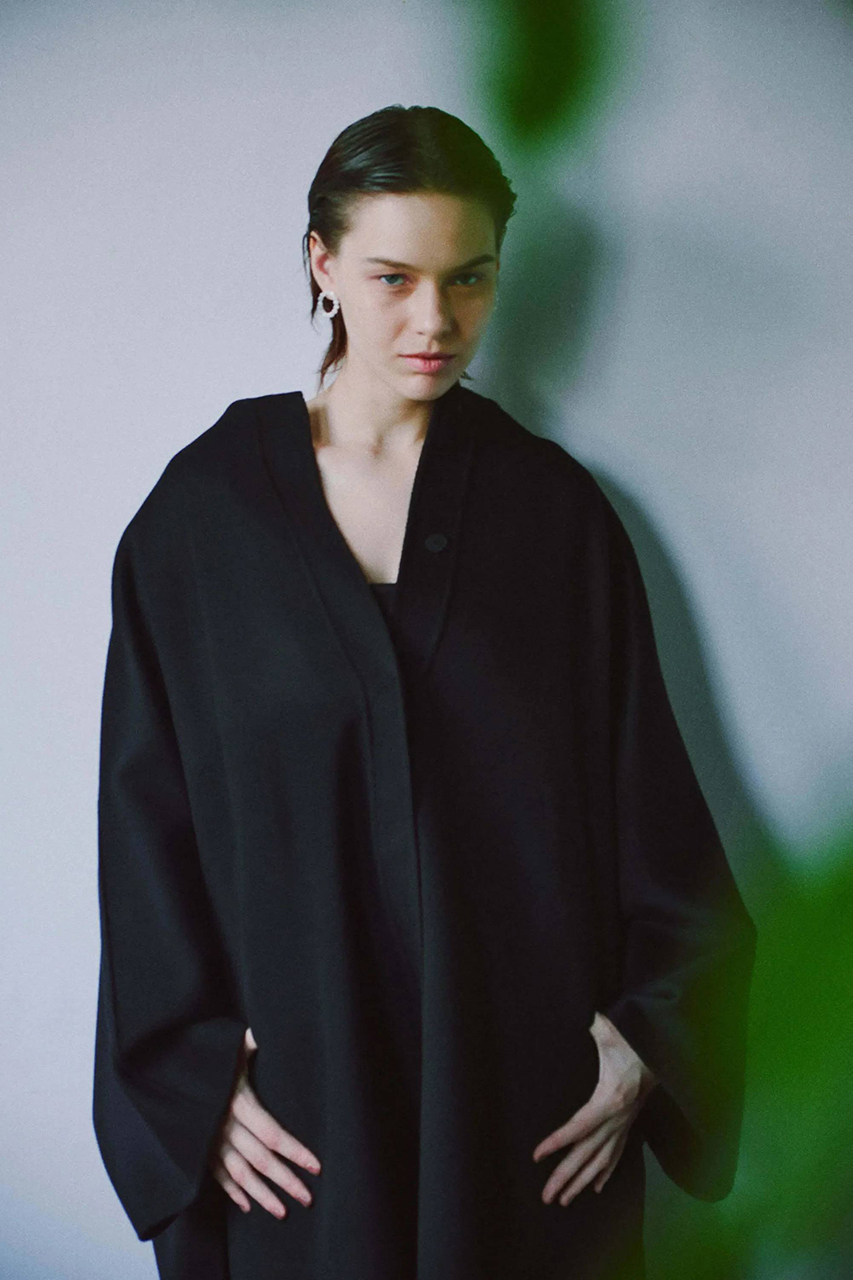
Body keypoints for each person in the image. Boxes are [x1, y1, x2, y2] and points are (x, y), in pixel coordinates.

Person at [92, 105, 756, 1280]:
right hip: (299, 1144)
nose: (434, 321)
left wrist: (650, 1043)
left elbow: (655, 817)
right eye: (393, 277)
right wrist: (189, 1087)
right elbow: (146, 842)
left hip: (524, 1135)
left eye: (469, 277)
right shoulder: (199, 526)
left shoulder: (556, 519)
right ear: (322, 262)